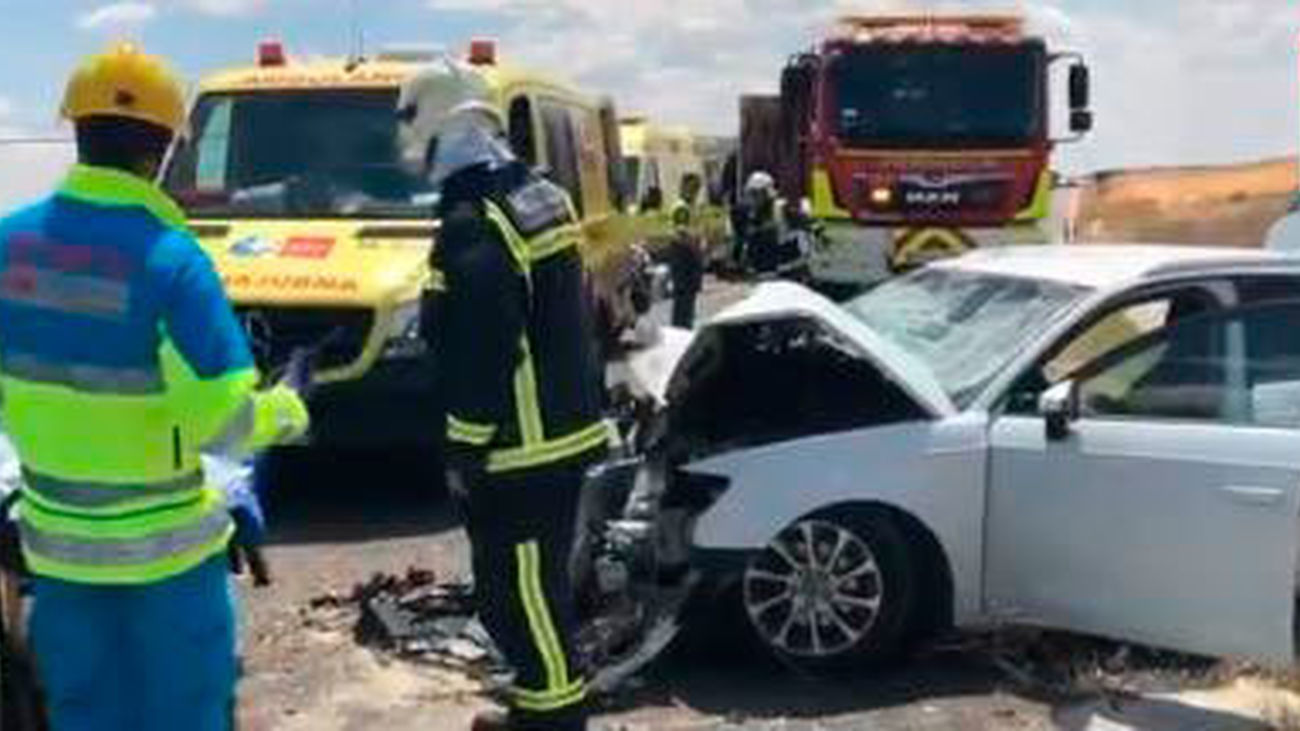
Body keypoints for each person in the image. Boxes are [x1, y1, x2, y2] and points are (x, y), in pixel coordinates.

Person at [0, 43, 310, 731]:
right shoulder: (173, 262)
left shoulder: (6, 246)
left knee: (84, 714)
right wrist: (288, 407)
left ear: (76, 130)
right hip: (169, 562)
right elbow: (225, 424)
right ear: (166, 148)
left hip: (58, 553)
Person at [399, 60, 610, 731]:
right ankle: (538, 701)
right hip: (564, 425)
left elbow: (484, 346)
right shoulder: (539, 193)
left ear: (436, 123)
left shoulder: (475, 217)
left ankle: (555, 714)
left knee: (519, 593)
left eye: (408, 121)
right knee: (530, 584)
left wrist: (464, 442)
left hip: (520, 443)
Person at [666, 198, 704, 329]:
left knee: (686, 307)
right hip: (683, 275)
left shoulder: (685, 234)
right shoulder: (680, 235)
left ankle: (683, 328)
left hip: (687, 276)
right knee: (682, 307)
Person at [744, 171, 783, 277]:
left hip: (781, 270)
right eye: (752, 194)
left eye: (756, 194)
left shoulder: (779, 210)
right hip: (761, 274)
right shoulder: (754, 215)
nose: (753, 199)